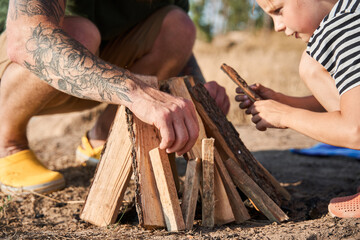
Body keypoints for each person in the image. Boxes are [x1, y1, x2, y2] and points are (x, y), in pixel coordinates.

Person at [0, 0, 230, 194]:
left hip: (95, 63)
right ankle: (7, 143)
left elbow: (175, 41)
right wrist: (135, 92)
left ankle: (103, 135)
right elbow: (26, 40)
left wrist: (195, 90)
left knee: (179, 26)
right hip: (16, 68)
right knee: (81, 34)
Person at [236, 0, 360, 218]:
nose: (278, 26)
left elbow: (356, 129)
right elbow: (352, 100)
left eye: (279, 10)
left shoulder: (345, 25)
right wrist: (284, 102)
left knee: (311, 66)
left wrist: (285, 115)